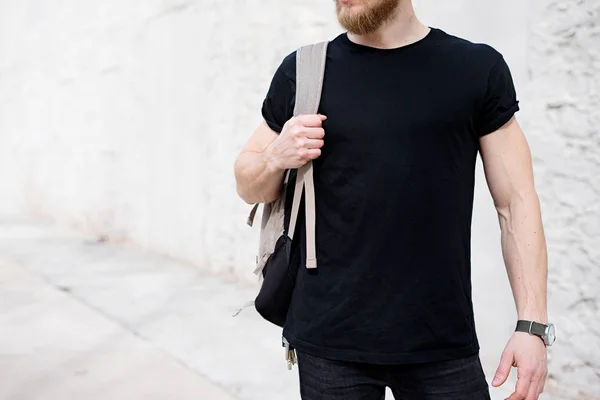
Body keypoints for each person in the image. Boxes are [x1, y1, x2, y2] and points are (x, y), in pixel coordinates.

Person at [234, 0, 552, 399]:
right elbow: (248, 185)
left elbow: (515, 204)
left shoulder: (475, 69)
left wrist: (532, 326)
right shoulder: (303, 71)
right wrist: (274, 157)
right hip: (328, 344)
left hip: (441, 342)